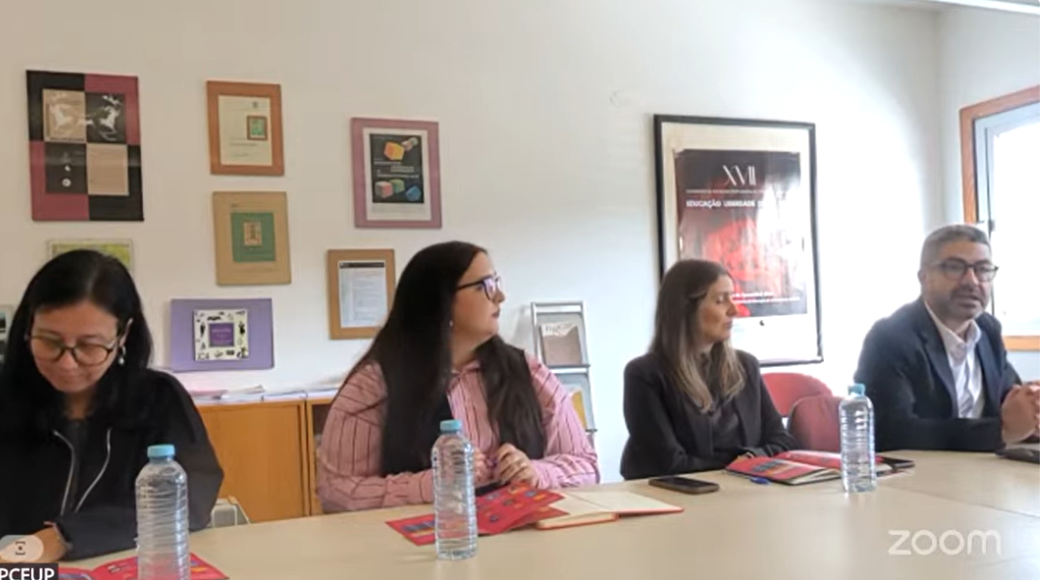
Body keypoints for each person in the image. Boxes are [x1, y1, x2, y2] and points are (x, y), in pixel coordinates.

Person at [317, 241, 599, 512]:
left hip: (522, 535)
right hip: (423, 539)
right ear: (441, 301)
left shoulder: (528, 372)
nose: (499, 296)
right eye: (484, 286)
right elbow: (336, 492)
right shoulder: (375, 383)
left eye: (496, 283)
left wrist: (538, 472)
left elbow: (587, 465)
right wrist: (426, 485)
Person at [0, 251, 223, 562]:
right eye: (50, 341)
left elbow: (191, 502)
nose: (67, 363)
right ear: (28, 327)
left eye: (89, 346)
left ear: (123, 335)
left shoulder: (159, 398)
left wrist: (65, 537)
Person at [854, 224, 1040, 452]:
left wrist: (1032, 411)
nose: (972, 281)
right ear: (924, 278)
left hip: (984, 467)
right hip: (924, 473)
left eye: (982, 269)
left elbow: (1009, 401)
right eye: (954, 268)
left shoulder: (987, 329)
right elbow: (892, 432)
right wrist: (1001, 431)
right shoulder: (891, 338)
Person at [620, 259, 796, 480]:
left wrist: (751, 457)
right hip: (677, 495)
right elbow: (669, 464)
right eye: (720, 300)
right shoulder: (644, 375)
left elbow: (782, 440)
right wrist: (738, 466)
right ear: (685, 309)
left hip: (744, 491)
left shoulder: (746, 366)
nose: (734, 310)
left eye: (732, 297)